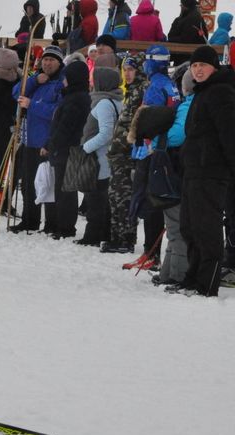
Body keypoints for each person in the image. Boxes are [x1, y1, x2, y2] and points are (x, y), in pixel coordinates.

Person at [172, 46, 235, 297]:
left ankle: (206, 283)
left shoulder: (221, 92)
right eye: (194, 65)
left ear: (214, 67)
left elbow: (229, 134)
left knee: (206, 228)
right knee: (189, 226)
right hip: (194, 169)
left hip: (212, 171)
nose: (197, 69)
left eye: (203, 65)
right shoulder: (202, 93)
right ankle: (192, 277)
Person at [126, 45, 181, 270]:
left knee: (148, 201)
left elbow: (152, 117)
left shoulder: (157, 85)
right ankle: (151, 252)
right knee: (154, 201)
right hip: (162, 148)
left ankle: (151, 253)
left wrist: (141, 139)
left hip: (151, 149)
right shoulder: (170, 84)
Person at [10, 45, 64, 233]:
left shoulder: (61, 83)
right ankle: (29, 220)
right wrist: (34, 81)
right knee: (28, 183)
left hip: (47, 141)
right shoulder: (37, 80)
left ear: (59, 62)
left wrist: (32, 105)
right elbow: (16, 93)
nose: (48, 63)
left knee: (47, 182)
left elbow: (57, 112)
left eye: (52, 60)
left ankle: (52, 223)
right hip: (29, 139)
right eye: (45, 60)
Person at [152, 69, 194, 287]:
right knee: (174, 224)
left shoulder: (187, 106)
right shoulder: (189, 105)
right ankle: (169, 272)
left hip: (175, 172)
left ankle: (176, 274)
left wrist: (160, 138)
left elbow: (176, 136)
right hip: (177, 172)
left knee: (175, 226)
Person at [43, 60, 92, 240]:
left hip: (68, 149)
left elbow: (65, 126)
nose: (63, 81)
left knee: (65, 191)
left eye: (66, 78)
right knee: (64, 189)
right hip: (70, 148)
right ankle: (62, 225)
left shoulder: (76, 99)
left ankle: (65, 227)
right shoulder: (76, 96)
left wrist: (51, 144)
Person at [103, 53, 146, 253]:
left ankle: (126, 239)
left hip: (129, 155)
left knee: (124, 197)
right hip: (118, 154)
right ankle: (116, 236)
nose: (127, 74)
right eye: (125, 70)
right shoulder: (130, 91)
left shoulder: (142, 90)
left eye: (131, 69)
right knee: (115, 196)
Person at [76, 66, 122, 246]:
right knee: (102, 199)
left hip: (98, 158)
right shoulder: (116, 100)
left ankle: (92, 236)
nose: (92, 82)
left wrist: (85, 148)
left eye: (95, 78)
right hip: (106, 158)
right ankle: (104, 232)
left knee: (96, 199)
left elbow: (106, 133)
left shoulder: (104, 103)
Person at [0, 48, 21, 205]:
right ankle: (1, 198)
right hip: (4, 124)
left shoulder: (19, 77)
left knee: (15, 163)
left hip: (17, 124)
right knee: (3, 161)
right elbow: (6, 101)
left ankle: (7, 197)